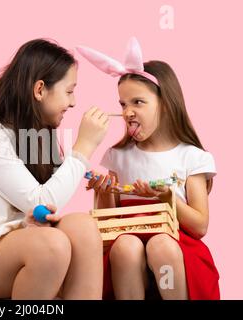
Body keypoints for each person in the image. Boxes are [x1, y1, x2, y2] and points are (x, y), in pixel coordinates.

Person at [0, 39, 110, 300]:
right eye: (69, 91)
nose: (73, 103)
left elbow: (41, 206)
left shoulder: (38, 139)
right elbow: (42, 199)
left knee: (83, 226)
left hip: (18, 240)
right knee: (52, 246)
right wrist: (83, 149)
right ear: (40, 90)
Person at [79, 37, 220, 300]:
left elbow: (200, 226)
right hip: (127, 239)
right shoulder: (117, 156)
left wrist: (167, 199)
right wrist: (105, 192)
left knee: (161, 245)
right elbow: (108, 225)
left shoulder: (192, 157)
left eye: (138, 102)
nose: (127, 112)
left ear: (165, 104)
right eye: (122, 104)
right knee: (125, 246)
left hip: (176, 244)